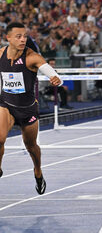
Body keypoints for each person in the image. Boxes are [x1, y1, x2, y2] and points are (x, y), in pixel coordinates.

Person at [0, 22, 63, 195]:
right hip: (6, 104)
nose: (22, 39)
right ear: (9, 38)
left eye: (25, 36)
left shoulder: (32, 57)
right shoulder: (0, 55)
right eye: (18, 36)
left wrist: (56, 79)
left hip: (27, 109)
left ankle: (38, 171)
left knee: (31, 146)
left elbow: (52, 73)